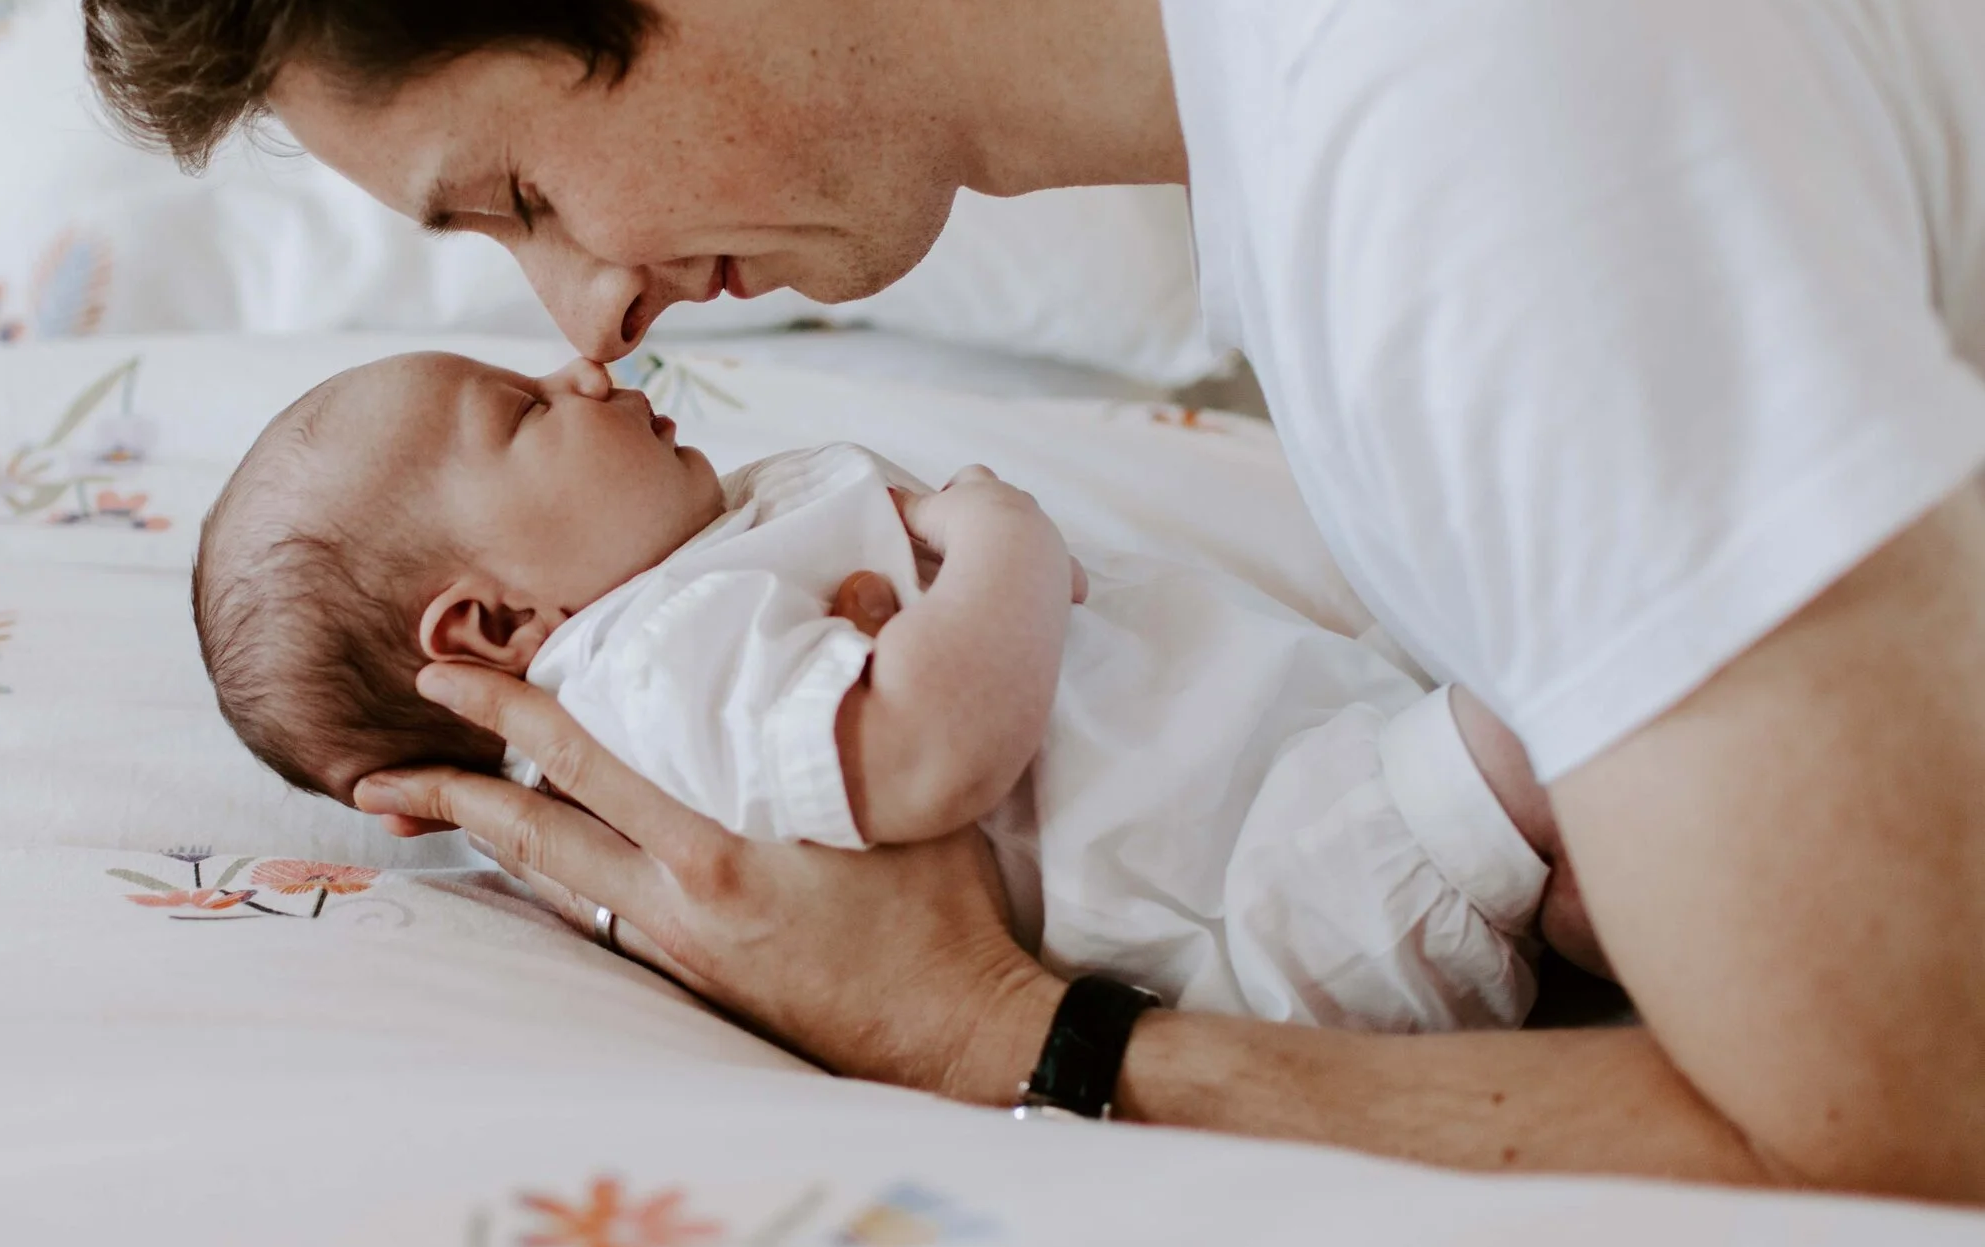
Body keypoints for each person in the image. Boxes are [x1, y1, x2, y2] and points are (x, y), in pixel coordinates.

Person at [84, 0, 1985, 1200]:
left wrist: (1004, 1034)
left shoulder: (1458, 74)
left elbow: (1908, 1110)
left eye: (519, 191)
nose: (586, 316)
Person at [193, 350, 1594, 1031]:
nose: (583, 366)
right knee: (1601, 720)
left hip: (1327, 798)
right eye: (524, 408)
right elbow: (929, 756)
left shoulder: (700, 585)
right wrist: (1007, 544)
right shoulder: (652, 667)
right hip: (1290, 876)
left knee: (1616, 849)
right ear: (495, 622)